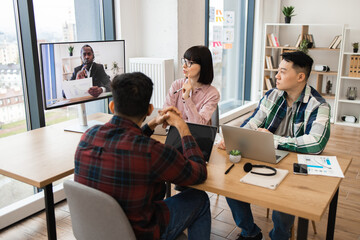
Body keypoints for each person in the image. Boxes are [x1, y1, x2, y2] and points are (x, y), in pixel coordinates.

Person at [74, 72, 211, 240]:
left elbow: (128, 142)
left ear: (111, 106)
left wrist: (152, 124)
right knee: (200, 198)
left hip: (95, 230)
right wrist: (183, 128)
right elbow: (199, 173)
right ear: (149, 110)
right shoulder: (152, 151)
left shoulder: (88, 136)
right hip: (140, 233)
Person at [218, 51, 331, 240]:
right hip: (266, 155)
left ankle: (280, 235)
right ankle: (250, 232)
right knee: (230, 184)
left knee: (285, 202)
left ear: (300, 77)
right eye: (278, 70)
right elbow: (254, 121)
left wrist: (273, 140)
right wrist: (237, 138)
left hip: (297, 165)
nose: (276, 76)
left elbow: (316, 143)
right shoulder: (272, 95)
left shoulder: (319, 105)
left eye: (282, 71)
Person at [163, 45, 220, 125]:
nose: (184, 66)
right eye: (184, 61)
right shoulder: (176, 85)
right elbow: (166, 115)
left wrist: (187, 98)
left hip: (197, 136)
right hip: (175, 133)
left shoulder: (212, 94)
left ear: (203, 66)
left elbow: (199, 125)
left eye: (190, 63)